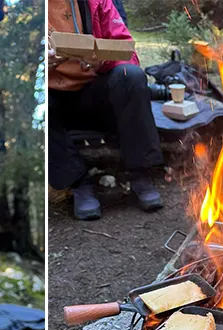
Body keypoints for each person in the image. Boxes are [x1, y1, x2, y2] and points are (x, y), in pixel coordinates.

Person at [48, 0, 163, 220]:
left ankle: (140, 174)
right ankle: (78, 183)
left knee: (131, 76)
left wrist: (101, 60)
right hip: (53, 100)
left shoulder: (96, 2)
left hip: (93, 91)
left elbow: (127, 49)